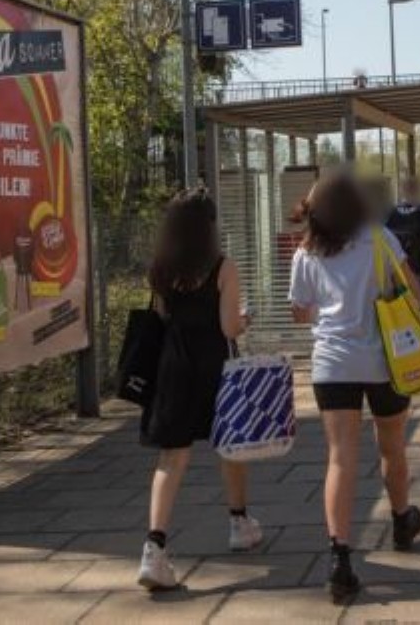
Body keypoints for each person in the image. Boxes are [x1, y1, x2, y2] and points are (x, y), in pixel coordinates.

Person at [288, 172, 420, 602]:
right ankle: (402, 520)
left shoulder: (306, 250)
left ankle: (339, 559)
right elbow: (416, 294)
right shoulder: (380, 239)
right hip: (385, 360)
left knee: (340, 459)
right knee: (392, 447)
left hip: (332, 365)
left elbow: (300, 312)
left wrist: (329, 308)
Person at [138, 189, 262, 592]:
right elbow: (229, 327)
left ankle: (154, 549)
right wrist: (245, 319)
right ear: (208, 226)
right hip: (216, 368)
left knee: (171, 458)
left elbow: (161, 315)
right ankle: (239, 523)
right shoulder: (223, 267)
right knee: (230, 446)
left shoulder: (161, 269)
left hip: (173, 367)